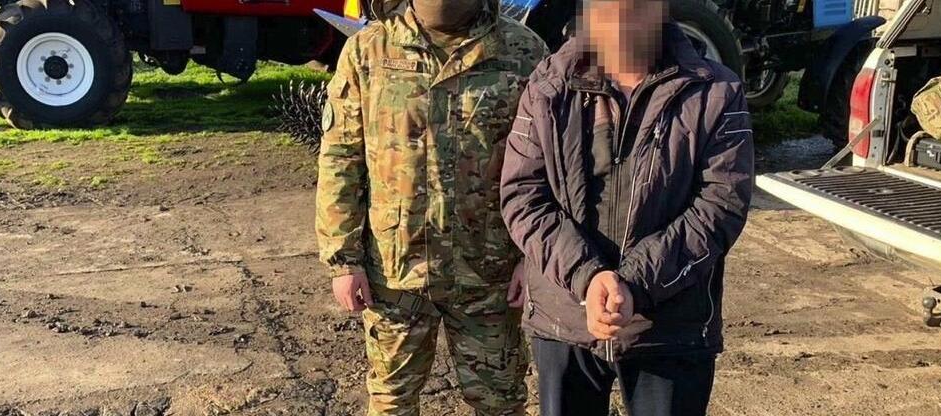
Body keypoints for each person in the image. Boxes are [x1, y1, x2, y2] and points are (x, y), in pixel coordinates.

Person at [499, 0, 754, 415]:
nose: (618, 26)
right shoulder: (548, 86)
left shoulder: (716, 92)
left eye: (633, 9)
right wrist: (587, 276)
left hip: (668, 328)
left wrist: (635, 285)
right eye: (605, 10)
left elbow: (721, 205)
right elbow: (523, 194)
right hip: (565, 318)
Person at [314, 0, 548, 414]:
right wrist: (343, 261)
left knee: (501, 402)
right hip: (395, 274)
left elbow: (545, 165)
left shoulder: (521, 50)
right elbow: (341, 159)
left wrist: (533, 259)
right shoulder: (370, 50)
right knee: (392, 401)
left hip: (488, 273)